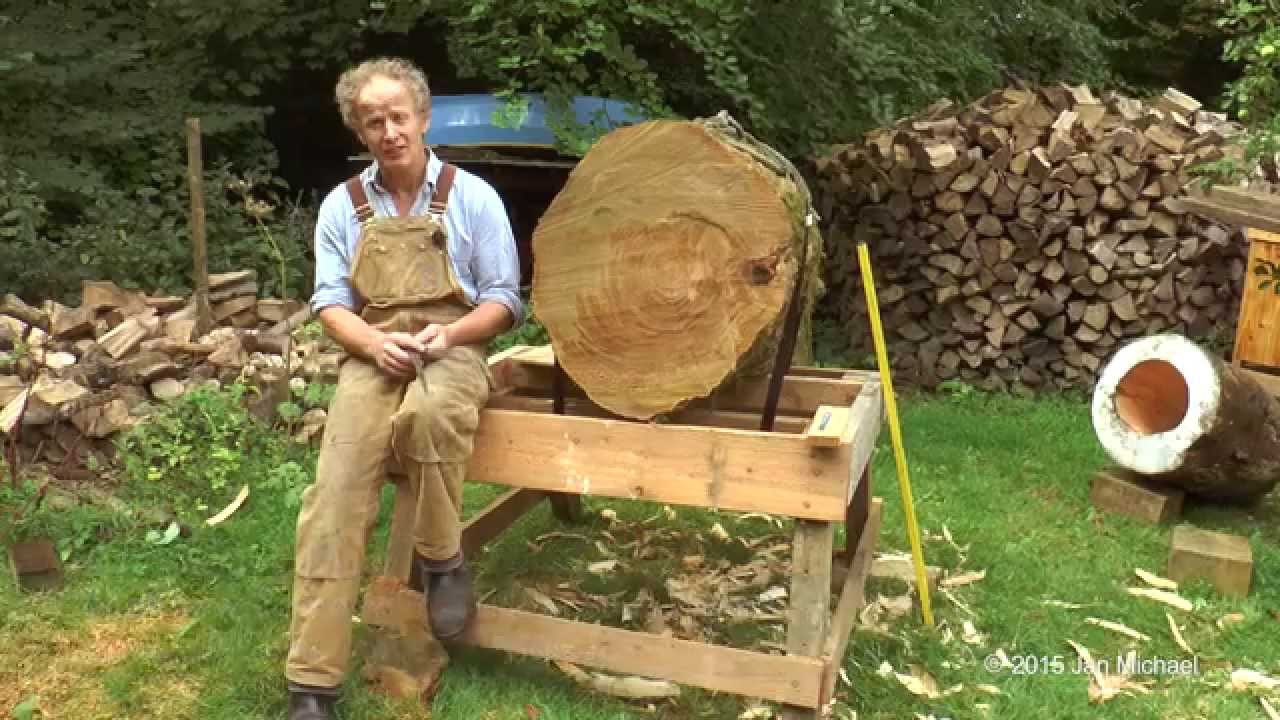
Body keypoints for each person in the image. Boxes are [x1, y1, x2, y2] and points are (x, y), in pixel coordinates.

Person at [284, 57, 523, 720]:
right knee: (333, 498)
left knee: (428, 416)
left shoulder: (473, 197)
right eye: (373, 122)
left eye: (398, 117)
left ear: (422, 118)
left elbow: (504, 300)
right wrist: (371, 344)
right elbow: (330, 303)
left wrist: (449, 337)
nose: (388, 132)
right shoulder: (343, 205)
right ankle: (312, 683)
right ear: (358, 131)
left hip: (454, 344)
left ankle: (442, 560)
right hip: (373, 351)